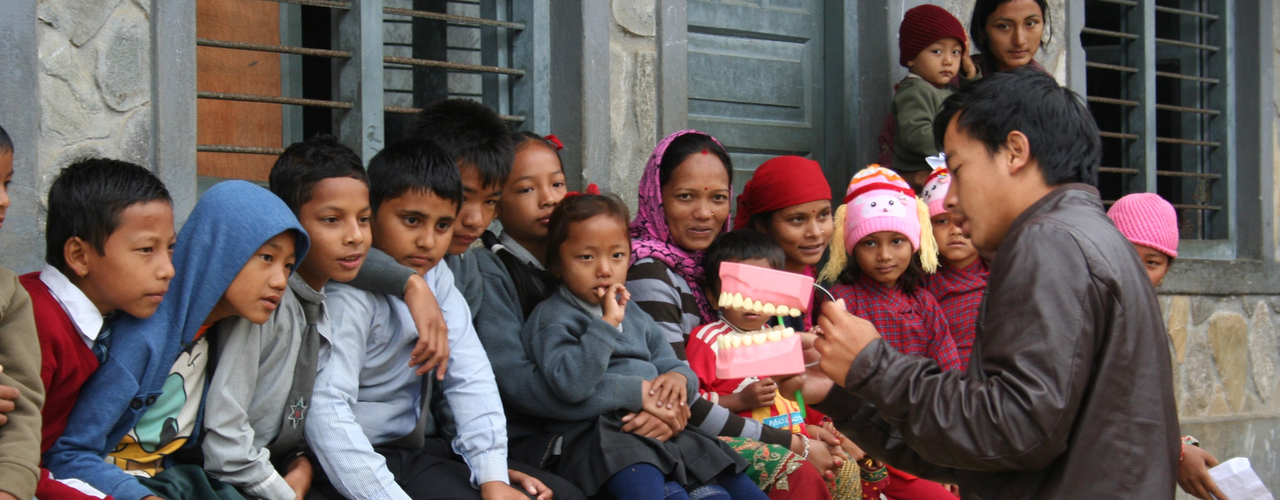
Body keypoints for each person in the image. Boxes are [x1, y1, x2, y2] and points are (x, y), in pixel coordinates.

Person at [782, 67, 1179, 499]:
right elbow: (986, 449)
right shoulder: (1089, 236)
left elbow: (1015, 430)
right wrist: (844, 397)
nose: (950, 198)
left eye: (958, 167)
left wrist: (873, 365)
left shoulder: (1049, 239)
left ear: (1014, 151)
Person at [307, 139, 561, 500]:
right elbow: (327, 410)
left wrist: (491, 476)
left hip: (411, 450)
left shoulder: (436, 277)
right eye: (411, 221)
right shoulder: (349, 297)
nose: (428, 241)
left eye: (443, 225)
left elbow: (469, 375)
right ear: (371, 214)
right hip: (347, 459)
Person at [44, 180, 310, 500]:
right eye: (267, 258)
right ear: (217, 250)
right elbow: (71, 453)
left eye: (288, 265)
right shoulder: (142, 337)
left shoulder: (222, 333)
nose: (280, 280)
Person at [521, 192, 766, 500]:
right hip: (602, 435)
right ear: (555, 264)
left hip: (659, 426)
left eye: (617, 255)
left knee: (733, 483)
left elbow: (675, 365)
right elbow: (571, 385)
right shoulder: (554, 318)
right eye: (586, 257)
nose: (604, 270)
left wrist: (679, 380)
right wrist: (606, 325)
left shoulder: (635, 313)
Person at [199, 136, 370, 500]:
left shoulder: (318, 303)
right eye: (332, 220)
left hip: (282, 470)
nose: (355, 236)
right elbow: (225, 436)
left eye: (364, 219)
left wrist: (301, 460)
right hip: (236, 482)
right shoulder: (262, 305)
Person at [819, 166, 962, 499]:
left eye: (896, 241)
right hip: (862, 432)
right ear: (852, 246)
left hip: (923, 431)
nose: (884, 256)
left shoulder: (924, 303)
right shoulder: (841, 301)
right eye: (870, 243)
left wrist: (954, 455)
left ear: (913, 243)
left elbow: (950, 374)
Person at [688, 230, 857, 500]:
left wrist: (817, 428)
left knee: (848, 469)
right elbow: (692, 403)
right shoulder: (708, 341)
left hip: (796, 438)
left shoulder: (781, 339)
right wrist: (738, 400)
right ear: (713, 296)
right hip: (748, 447)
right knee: (801, 478)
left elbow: (799, 396)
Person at [1107, 193, 1227, 500]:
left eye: (1151, 262)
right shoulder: (1088, 314)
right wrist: (1177, 451)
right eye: (1127, 258)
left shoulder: (1145, 318)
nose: (1136, 273)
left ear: (1166, 271)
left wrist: (1180, 446)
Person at [628, 130, 734, 359]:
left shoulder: (716, 267)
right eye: (686, 196)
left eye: (718, 198)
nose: (704, 213)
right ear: (656, 197)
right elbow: (672, 385)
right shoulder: (648, 274)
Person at [733, 156, 834, 331]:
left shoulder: (810, 276)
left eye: (824, 215)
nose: (816, 232)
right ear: (762, 225)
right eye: (797, 219)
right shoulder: (749, 294)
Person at [0, 125, 46, 500]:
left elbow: (22, 407)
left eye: (7, 185)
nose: (4, 201)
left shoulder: (9, 293)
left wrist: (10, 487)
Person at [889, 5, 979, 190]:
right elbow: (915, 134)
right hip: (921, 177)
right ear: (911, 57)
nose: (948, 60)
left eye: (956, 52)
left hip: (943, 170)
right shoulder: (914, 90)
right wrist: (955, 148)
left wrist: (969, 69)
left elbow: (977, 103)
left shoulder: (946, 89)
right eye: (937, 51)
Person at [919, 164, 986, 367]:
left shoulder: (1002, 279)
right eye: (941, 221)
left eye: (962, 218)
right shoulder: (918, 286)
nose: (955, 230)